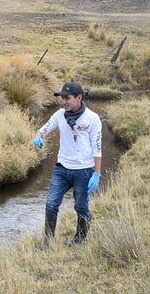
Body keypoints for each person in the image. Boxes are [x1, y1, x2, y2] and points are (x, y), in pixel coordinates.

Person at [33, 82, 102, 247]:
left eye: (67, 98)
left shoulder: (92, 118)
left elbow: (97, 147)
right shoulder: (59, 115)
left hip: (84, 171)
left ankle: (80, 239)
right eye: (62, 98)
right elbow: (43, 129)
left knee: (81, 207)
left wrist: (97, 173)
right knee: (51, 205)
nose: (63, 101)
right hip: (61, 169)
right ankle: (48, 241)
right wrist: (38, 137)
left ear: (79, 98)